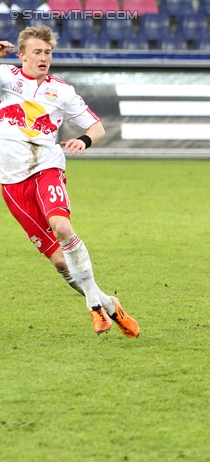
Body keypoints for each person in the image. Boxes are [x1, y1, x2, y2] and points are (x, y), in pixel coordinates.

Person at [0, 26, 139, 338]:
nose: (43, 58)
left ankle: (93, 307)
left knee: (62, 227)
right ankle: (108, 304)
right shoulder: (6, 78)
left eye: (48, 52)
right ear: (22, 55)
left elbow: (97, 127)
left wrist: (84, 141)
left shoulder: (61, 90)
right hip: (10, 181)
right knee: (61, 263)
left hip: (46, 167)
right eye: (37, 52)